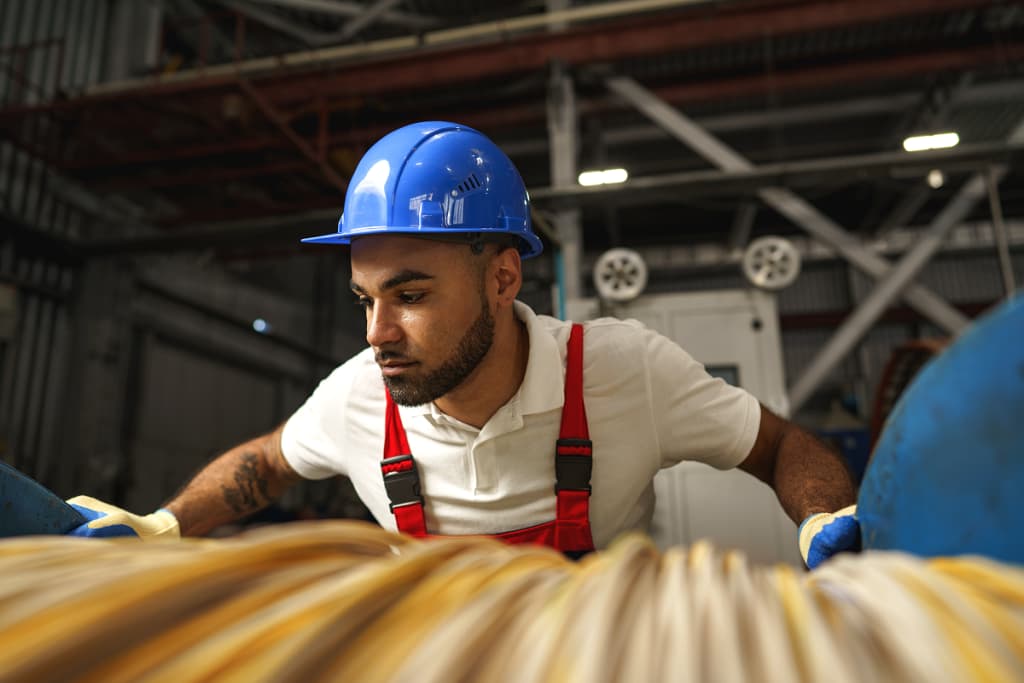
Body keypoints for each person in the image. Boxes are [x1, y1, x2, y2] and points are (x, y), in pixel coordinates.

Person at [68, 121, 859, 568]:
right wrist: (164, 524)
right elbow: (269, 461)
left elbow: (781, 444)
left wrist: (824, 518)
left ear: (503, 278)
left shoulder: (623, 370)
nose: (377, 334)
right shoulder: (357, 397)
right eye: (364, 300)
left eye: (410, 296)